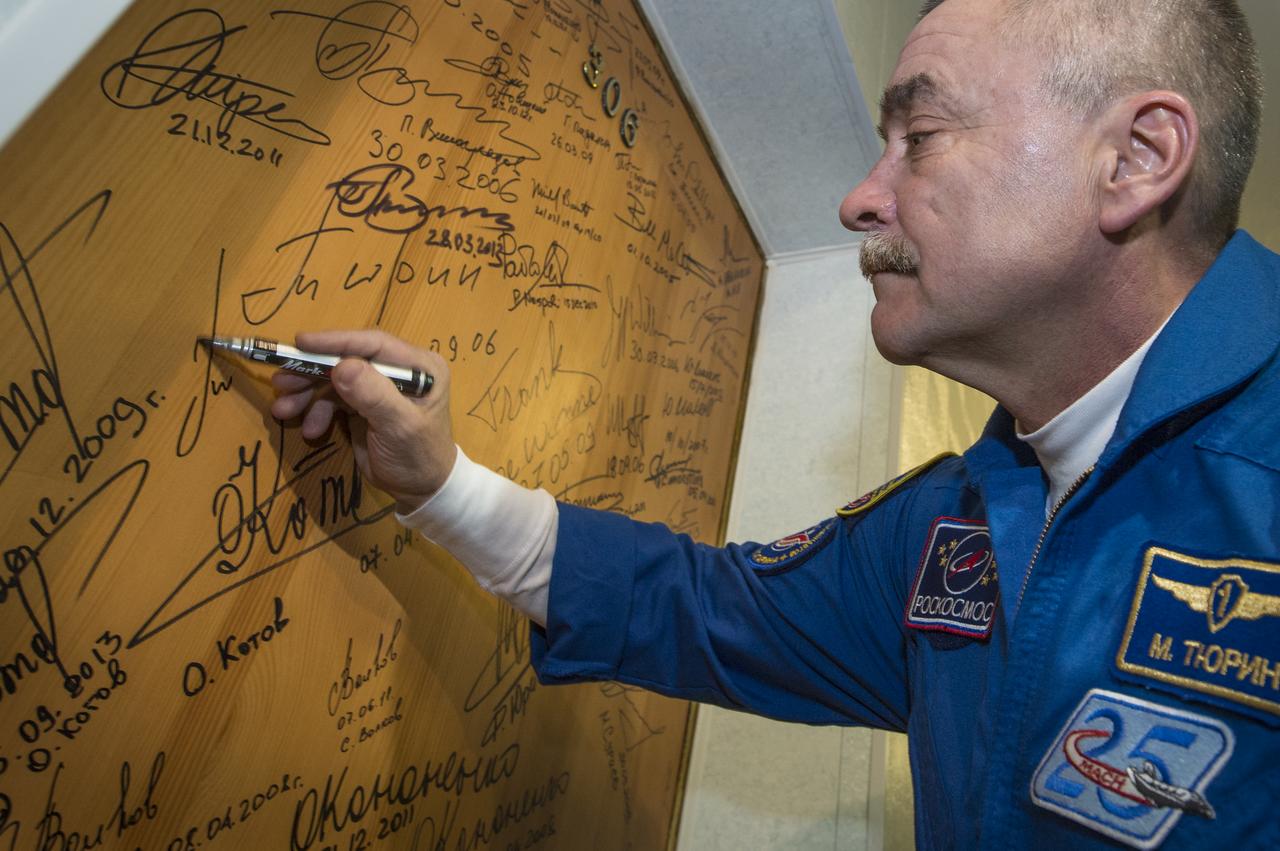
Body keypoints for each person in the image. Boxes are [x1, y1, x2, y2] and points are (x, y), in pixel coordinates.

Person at [272, 0, 1278, 847]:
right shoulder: (960, 516)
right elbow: (708, 610)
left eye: (917, 140)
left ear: (1136, 157)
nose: (857, 200)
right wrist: (441, 486)